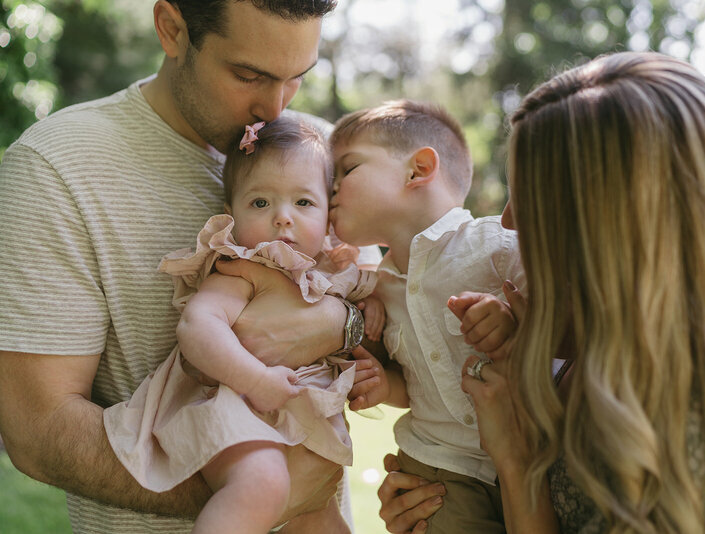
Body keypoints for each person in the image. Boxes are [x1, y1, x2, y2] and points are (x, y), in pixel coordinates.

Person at [0, 1, 368, 533]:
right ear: (172, 30)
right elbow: (38, 432)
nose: (275, 108)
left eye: (297, 78)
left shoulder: (318, 152)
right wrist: (268, 489)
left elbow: (399, 324)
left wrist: (342, 322)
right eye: (249, 74)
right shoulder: (57, 168)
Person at [461, 51, 705, 533]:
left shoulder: (654, 430)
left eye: (530, 200)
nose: (508, 221)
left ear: (604, 236)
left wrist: (517, 460)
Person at [104, 117, 384, 534]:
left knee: (323, 513)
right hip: (236, 404)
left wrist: (371, 310)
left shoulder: (336, 273)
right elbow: (198, 328)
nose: (282, 218)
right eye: (260, 203)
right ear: (230, 214)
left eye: (303, 203)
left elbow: (386, 318)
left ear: (329, 216)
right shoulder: (241, 269)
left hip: (298, 421)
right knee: (262, 483)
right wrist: (255, 379)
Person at [329, 99, 526, 534]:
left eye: (347, 169)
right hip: (439, 470)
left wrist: (513, 325)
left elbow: (562, 333)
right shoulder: (377, 288)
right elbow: (418, 385)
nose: (331, 189)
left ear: (418, 169)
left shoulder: (497, 247)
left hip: (533, 455)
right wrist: (386, 385)